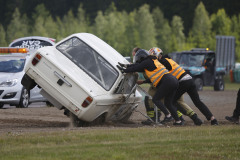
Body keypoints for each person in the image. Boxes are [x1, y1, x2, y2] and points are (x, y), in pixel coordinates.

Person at [151, 47, 218, 125]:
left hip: (183, 82)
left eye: (152, 56)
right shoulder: (169, 59)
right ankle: (213, 119)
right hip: (189, 79)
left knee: (170, 101)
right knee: (197, 102)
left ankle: (180, 120)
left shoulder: (163, 61)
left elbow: (165, 72)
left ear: (156, 55)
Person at [117, 48, 183, 125]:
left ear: (141, 57)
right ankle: (178, 121)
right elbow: (137, 65)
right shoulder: (152, 61)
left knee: (156, 99)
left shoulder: (147, 62)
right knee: (168, 103)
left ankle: (168, 115)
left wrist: (124, 70)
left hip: (167, 81)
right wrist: (126, 66)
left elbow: (137, 67)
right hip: (174, 80)